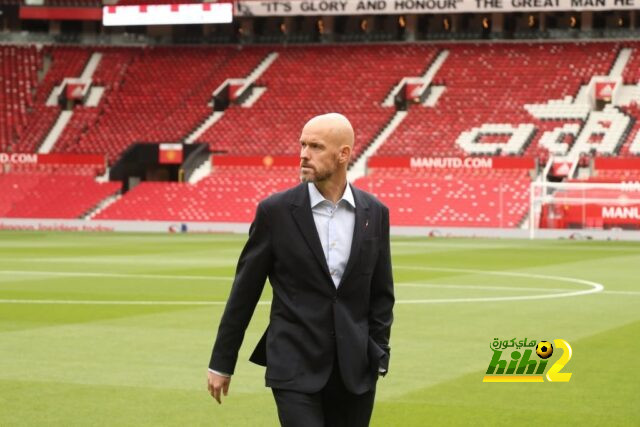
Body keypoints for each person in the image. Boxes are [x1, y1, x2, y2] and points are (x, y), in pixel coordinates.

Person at [207, 113, 394, 427]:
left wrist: (379, 352)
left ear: (344, 154)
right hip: (293, 365)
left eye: (316, 146)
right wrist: (222, 363)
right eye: (303, 144)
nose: (304, 154)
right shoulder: (275, 212)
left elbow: (382, 292)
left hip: (355, 369)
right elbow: (244, 292)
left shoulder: (375, 213)